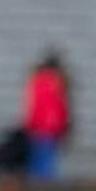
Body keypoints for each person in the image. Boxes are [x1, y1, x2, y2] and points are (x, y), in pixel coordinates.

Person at [22, 46, 73, 180]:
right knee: (46, 162)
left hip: (38, 127)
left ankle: (38, 183)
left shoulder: (36, 81)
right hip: (51, 128)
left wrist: (29, 125)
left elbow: (32, 106)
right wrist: (64, 127)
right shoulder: (57, 82)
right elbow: (61, 108)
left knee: (38, 160)